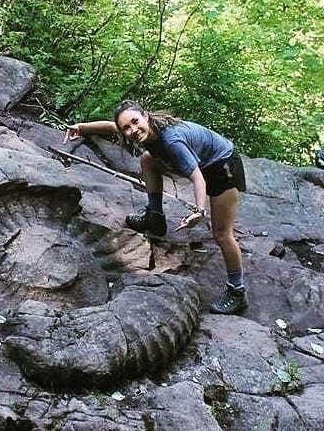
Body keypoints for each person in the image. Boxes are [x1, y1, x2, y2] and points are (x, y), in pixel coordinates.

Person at [64, 100, 248, 315]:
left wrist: (199, 211)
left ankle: (237, 292)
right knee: (147, 158)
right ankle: (155, 216)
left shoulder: (171, 140)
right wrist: (81, 127)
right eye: (126, 127)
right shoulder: (142, 130)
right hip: (202, 163)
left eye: (135, 122)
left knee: (222, 234)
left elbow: (197, 178)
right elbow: (111, 126)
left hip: (222, 168)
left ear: (146, 116)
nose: (132, 130)